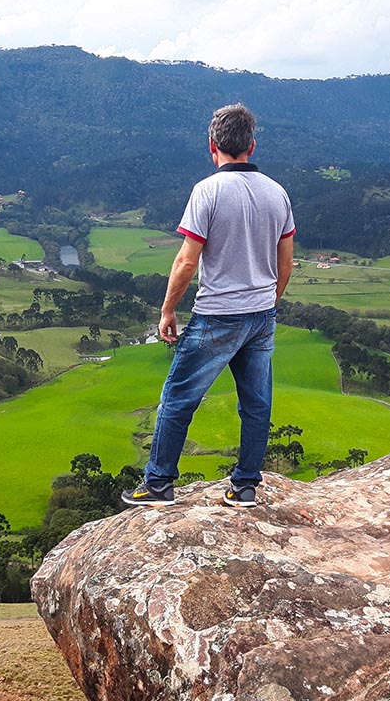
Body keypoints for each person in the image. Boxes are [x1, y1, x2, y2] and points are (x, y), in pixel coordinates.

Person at [122, 103, 294, 509]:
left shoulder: (208, 191)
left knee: (178, 398)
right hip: (261, 315)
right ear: (251, 145)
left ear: (212, 145)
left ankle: (159, 484)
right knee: (256, 404)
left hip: (217, 314)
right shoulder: (277, 192)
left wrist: (167, 310)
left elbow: (186, 260)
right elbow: (285, 263)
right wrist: (267, 304)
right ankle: (245, 486)